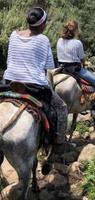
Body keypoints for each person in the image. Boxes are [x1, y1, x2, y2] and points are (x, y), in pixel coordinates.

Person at [3, 7, 67, 144]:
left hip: (10, 82)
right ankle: (59, 143)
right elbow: (49, 67)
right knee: (61, 107)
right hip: (33, 86)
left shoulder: (14, 35)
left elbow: (9, 60)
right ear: (43, 25)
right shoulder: (43, 40)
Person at [56, 20, 95, 117]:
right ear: (76, 30)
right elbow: (82, 59)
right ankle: (94, 109)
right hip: (74, 69)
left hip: (61, 69)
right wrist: (83, 64)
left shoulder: (59, 40)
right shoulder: (77, 43)